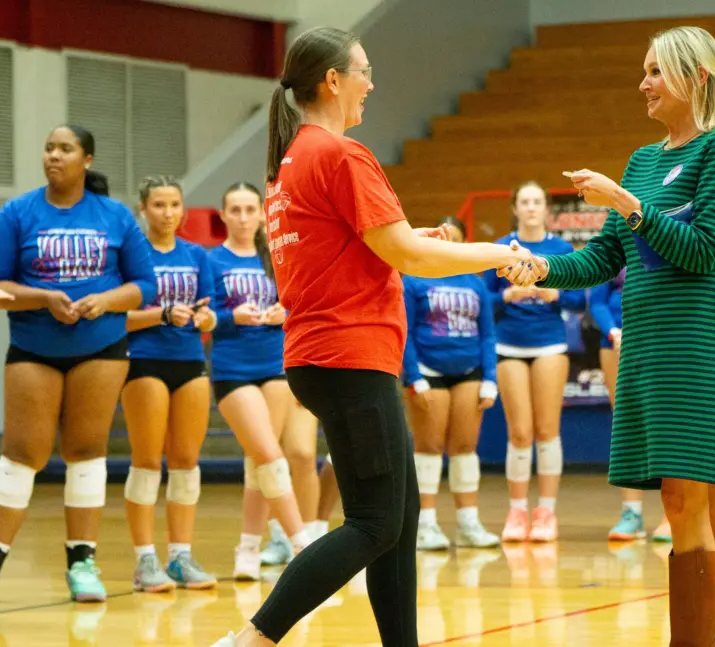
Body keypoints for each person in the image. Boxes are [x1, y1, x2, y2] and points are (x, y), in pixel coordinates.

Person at [209, 26, 536, 647]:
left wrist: (410, 243)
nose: (371, 84)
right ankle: (251, 640)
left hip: (326, 357)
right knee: (374, 522)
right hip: (349, 358)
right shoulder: (340, 154)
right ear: (333, 81)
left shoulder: (291, 162)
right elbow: (407, 255)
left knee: (398, 521)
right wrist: (500, 252)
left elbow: (362, 249)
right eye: (364, 72)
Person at [500, 26, 715, 646]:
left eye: (654, 72)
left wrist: (629, 205)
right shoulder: (642, 161)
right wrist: (541, 269)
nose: (642, 84)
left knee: (687, 505)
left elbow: (706, 251)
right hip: (649, 351)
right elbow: (604, 258)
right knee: (703, 506)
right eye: (642, 72)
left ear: (696, 77)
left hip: (700, 347)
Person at [0, 125, 156, 602]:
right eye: (49, 148)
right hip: (34, 348)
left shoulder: (114, 215)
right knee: (22, 454)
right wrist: (43, 297)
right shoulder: (17, 213)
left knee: (86, 451)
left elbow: (144, 286)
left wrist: (105, 301)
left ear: (87, 159)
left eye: (65, 149)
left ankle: (82, 563)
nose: (53, 156)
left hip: (100, 349)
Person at [208, 182, 310, 581]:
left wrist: (285, 314)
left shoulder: (277, 257)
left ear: (263, 214)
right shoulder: (211, 260)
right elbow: (204, 317)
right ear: (223, 215)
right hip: (233, 368)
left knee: (259, 462)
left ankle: (248, 549)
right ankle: (303, 546)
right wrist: (231, 317)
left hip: (276, 364)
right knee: (269, 454)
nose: (244, 217)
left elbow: (300, 303)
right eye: (235, 210)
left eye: (251, 209)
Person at [122, 176, 219, 592]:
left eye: (174, 205)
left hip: (190, 361)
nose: (167, 213)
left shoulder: (197, 255)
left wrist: (205, 319)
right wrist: (162, 315)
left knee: (185, 461)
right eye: (159, 205)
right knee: (147, 461)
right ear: (143, 209)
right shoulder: (130, 255)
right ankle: (145, 560)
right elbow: (117, 317)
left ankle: (180, 556)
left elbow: (210, 316)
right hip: (144, 360)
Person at [485, 181, 585, 543]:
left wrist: (554, 294)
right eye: (524, 201)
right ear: (515, 208)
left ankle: (546, 511)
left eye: (536, 201)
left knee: (546, 430)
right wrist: (507, 296)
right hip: (509, 344)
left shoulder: (560, 249)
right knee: (519, 432)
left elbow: (579, 301)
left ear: (546, 209)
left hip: (549, 344)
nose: (530, 207)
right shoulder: (501, 247)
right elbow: (484, 300)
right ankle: (517, 512)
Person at [402, 216, 501, 551]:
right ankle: (424, 525)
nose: (448, 245)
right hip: (428, 371)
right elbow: (405, 333)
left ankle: (468, 524)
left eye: (455, 239)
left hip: (469, 371)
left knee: (464, 448)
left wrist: (490, 379)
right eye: (442, 238)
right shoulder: (413, 280)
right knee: (428, 447)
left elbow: (488, 334)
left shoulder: (475, 284)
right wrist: (414, 376)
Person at [592, 268, 671, 543]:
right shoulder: (617, 245)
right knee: (626, 425)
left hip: (662, 340)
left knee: (666, 427)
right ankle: (631, 514)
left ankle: (673, 514)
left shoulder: (672, 244)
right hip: (616, 344)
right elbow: (597, 301)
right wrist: (614, 332)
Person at [259, 401, 327, 567]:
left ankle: (309, 539)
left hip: (301, 384)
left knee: (302, 454)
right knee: (270, 454)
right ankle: (279, 538)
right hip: (266, 385)